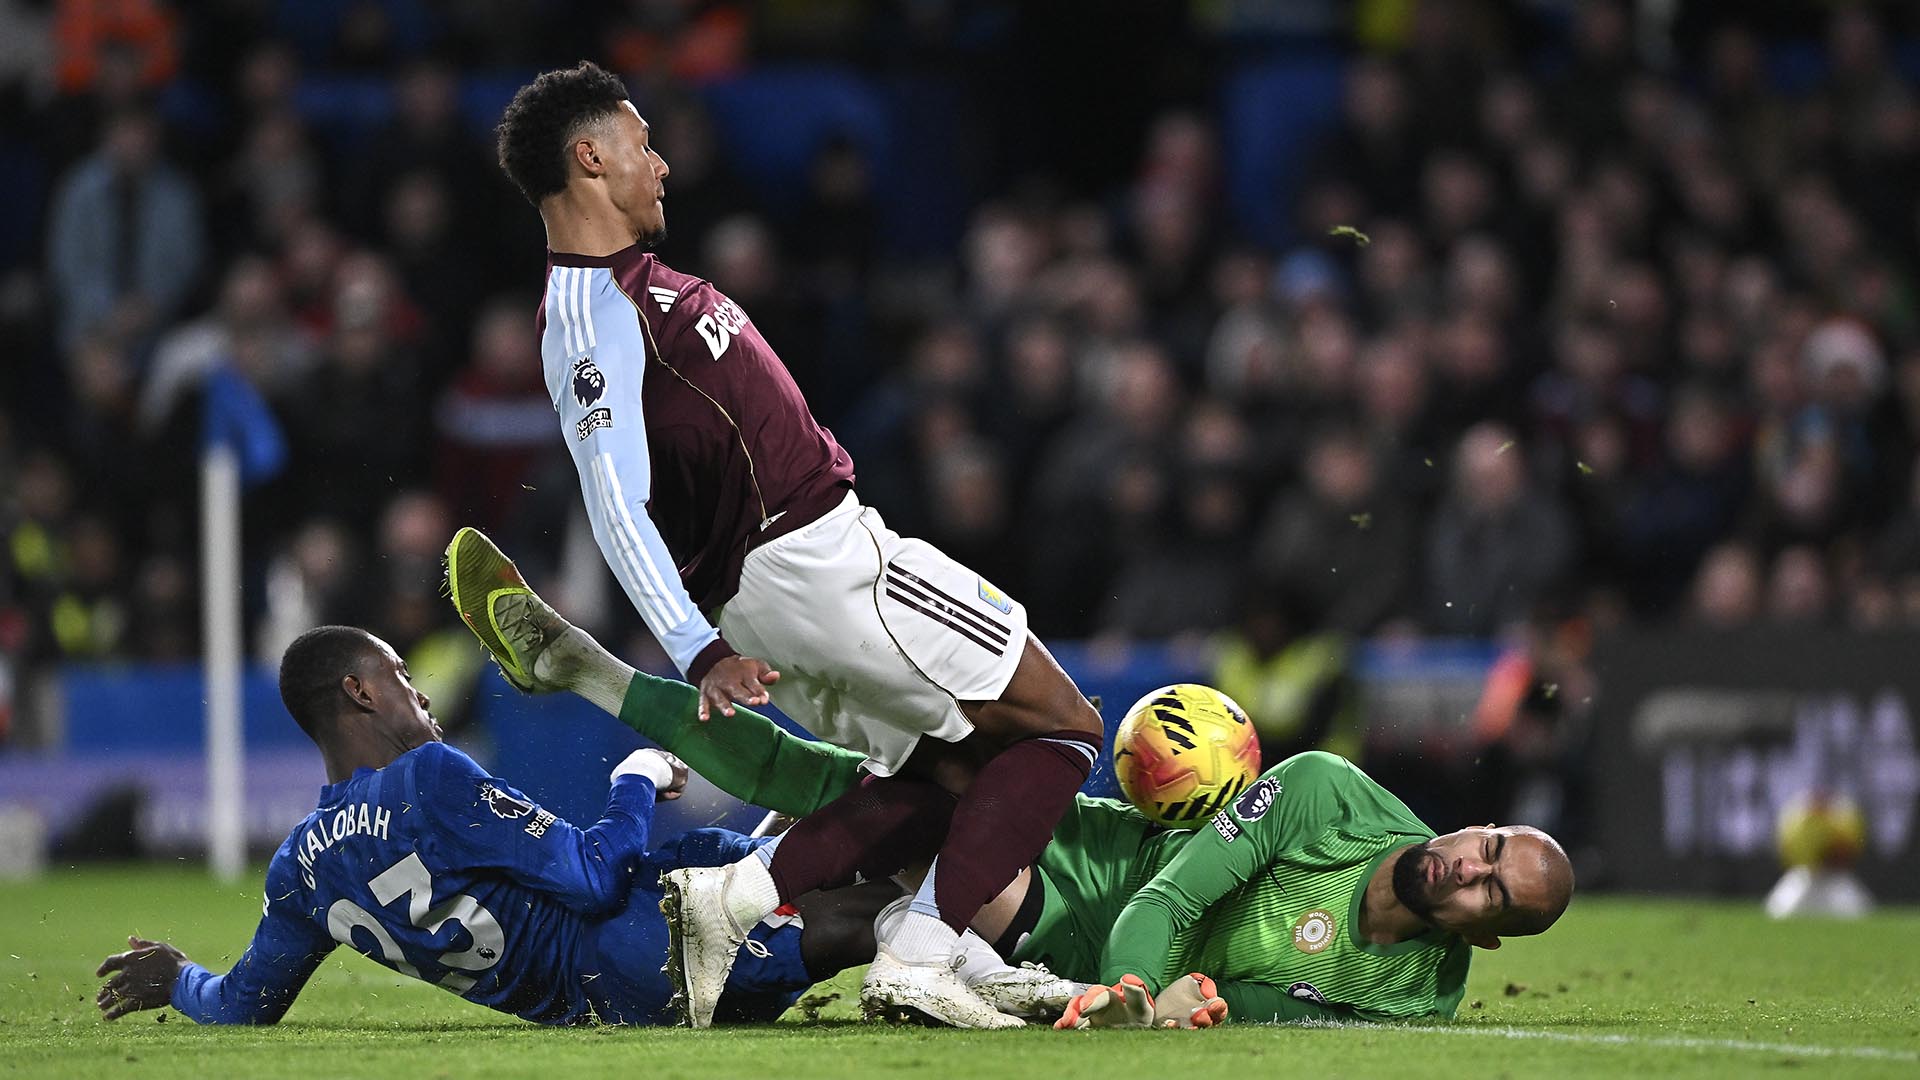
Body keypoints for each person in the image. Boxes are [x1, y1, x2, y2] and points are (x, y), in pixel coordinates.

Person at [491, 61, 1106, 1029]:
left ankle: (735, 902)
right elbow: (613, 502)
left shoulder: (626, 292)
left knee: (945, 777)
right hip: (817, 562)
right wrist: (697, 650)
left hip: (792, 574)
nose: (661, 164)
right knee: (1063, 724)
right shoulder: (589, 313)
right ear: (590, 158)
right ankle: (920, 954)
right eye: (643, 143)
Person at [447, 529, 1577, 1028]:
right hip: (1069, 876)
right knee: (861, 793)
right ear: (1475, 825)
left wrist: (1184, 1010)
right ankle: (591, 680)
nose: (1468, 869)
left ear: (1486, 940)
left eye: (1494, 893)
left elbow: (1251, 1013)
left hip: (1056, 965)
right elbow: (1163, 903)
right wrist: (1135, 995)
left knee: (842, 868)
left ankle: (646, 883)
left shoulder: (1414, 998)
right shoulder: (1330, 795)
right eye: (1487, 847)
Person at [92, 625, 899, 1027]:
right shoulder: (427, 778)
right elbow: (592, 880)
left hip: (619, 998)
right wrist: (637, 777)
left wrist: (179, 980)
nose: (421, 693)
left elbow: (244, 1004)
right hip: (650, 939)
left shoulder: (300, 865)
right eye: (399, 675)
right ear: (359, 693)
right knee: (891, 899)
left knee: (857, 860)